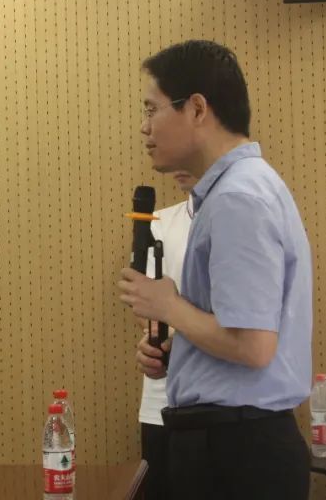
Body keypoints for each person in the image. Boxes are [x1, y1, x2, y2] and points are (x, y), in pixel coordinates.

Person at [118, 40, 312, 500]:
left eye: (152, 109)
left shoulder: (237, 198)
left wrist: (167, 305)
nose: (144, 127)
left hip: (236, 451)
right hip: (234, 442)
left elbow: (253, 346)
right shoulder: (237, 190)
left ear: (197, 109)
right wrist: (181, 351)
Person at [130, 171, 195, 500]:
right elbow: (143, 305)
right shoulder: (158, 223)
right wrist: (153, 340)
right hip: (162, 403)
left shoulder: (242, 220)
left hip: (230, 410)